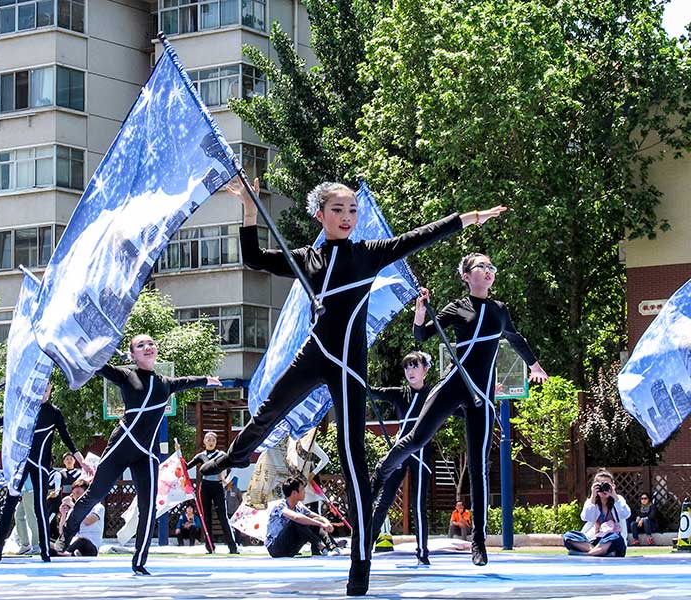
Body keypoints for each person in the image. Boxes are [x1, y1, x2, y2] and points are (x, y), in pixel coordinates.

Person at [202, 178, 506, 596]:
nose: (348, 218)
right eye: (339, 210)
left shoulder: (369, 254)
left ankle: (359, 561)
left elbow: (422, 236)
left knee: (353, 456)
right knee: (270, 409)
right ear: (320, 215)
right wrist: (250, 212)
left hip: (350, 366)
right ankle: (231, 459)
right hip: (315, 354)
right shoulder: (307, 258)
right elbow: (254, 256)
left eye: (352, 211)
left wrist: (469, 218)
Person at [372, 254, 549, 568]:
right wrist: (420, 311)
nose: (489, 271)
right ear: (467, 275)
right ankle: (381, 472)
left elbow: (515, 339)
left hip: (481, 396)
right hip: (454, 384)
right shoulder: (457, 307)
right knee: (416, 439)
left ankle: (478, 541)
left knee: (480, 467)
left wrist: (535, 365)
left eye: (492, 267)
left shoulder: (499, 311)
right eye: (482, 266)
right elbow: (422, 336)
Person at [58, 333, 220, 575]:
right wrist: (82, 348)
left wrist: (207, 380)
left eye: (151, 344)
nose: (147, 347)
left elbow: (187, 381)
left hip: (147, 453)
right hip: (122, 444)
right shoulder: (126, 375)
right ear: (132, 354)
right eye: (140, 345)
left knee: (148, 507)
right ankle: (66, 533)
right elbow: (98, 366)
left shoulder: (166, 383)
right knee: (94, 494)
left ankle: (139, 561)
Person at [0, 382, 86, 563]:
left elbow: (67, 439)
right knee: (9, 505)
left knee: (40, 509)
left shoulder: (54, 413)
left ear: (50, 389)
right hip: (21, 466)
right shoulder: (23, 409)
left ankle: (45, 552)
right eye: (39, 389)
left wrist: (82, 462)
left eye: (46, 389)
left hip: (41, 467)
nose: (43, 393)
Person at [368, 350, 434, 565]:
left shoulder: (434, 396)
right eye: (406, 367)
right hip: (400, 452)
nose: (410, 371)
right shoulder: (400, 393)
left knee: (418, 504)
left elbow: (462, 407)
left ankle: (422, 552)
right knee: (384, 500)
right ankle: (366, 547)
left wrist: (486, 395)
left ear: (425, 369)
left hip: (422, 454)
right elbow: (372, 392)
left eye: (415, 366)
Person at [186, 432, 238, 554]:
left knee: (222, 516)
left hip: (218, 487)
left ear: (216, 442)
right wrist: (179, 458)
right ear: (204, 442)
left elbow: (233, 467)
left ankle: (232, 547)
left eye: (213, 440)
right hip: (205, 487)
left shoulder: (221, 455)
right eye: (208, 439)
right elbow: (187, 467)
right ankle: (210, 547)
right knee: (206, 517)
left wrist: (226, 481)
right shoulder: (201, 456)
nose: (210, 441)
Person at [563, 470, 631, 557]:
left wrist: (614, 495)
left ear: (613, 486)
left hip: (611, 542)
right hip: (593, 541)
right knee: (568, 536)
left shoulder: (618, 499)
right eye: (600, 486)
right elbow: (585, 517)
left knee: (615, 537)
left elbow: (626, 514)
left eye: (607, 485)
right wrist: (593, 496)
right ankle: (598, 551)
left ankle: (588, 553)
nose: (603, 489)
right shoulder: (592, 501)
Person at [265, 477, 337, 558]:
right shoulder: (279, 505)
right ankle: (321, 547)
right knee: (297, 521)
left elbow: (316, 516)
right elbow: (296, 517)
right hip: (276, 548)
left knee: (313, 520)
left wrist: (326, 522)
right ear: (294, 493)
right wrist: (321, 524)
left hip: (291, 547)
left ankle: (331, 547)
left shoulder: (299, 506)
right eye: (302, 489)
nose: (304, 492)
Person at [57, 480, 104, 557]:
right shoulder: (73, 510)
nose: (76, 497)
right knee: (51, 545)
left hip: (90, 546)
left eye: (78, 494)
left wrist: (72, 505)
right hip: (73, 543)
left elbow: (87, 521)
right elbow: (62, 532)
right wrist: (63, 514)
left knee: (82, 540)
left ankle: (66, 553)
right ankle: (63, 553)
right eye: (74, 494)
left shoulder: (98, 507)